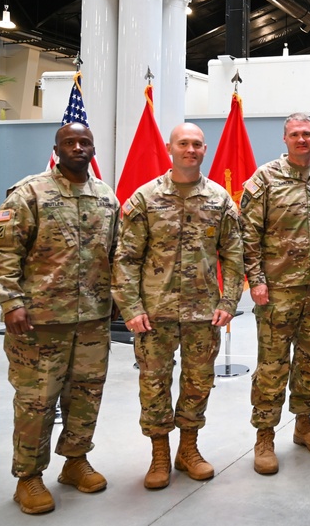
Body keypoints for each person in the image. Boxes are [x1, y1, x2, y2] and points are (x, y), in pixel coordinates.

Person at [0, 122, 119, 515]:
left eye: (84, 141)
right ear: (56, 149)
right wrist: (10, 302)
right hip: (39, 321)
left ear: (93, 148)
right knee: (36, 402)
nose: (78, 146)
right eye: (69, 142)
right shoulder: (29, 193)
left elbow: (117, 253)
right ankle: (28, 477)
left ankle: (75, 462)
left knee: (86, 394)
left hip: (91, 319)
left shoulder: (106, 197)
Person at [112, 122, 244, 490]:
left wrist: (229, 300)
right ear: (170, 149)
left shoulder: (219, 199)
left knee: (198, 383)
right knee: (154, 384)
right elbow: (125, 258)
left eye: (197, 144)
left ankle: (188, 450)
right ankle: (159, 454)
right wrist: (131, 308)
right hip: (154, 313)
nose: (190, 150)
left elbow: (234, 255)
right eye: (183, 143)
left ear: (205, 151)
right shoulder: (145, 198)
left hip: (204, 312)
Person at [241, 113, 310, 475]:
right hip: (278, 288)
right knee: (273, 365)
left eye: (307, 134)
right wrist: (256, 280)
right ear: (285, 139)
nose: (302, 139)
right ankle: (264, 436)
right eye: (295, 134)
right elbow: (249, 235)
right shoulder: (265, 179)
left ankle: (304, 425)